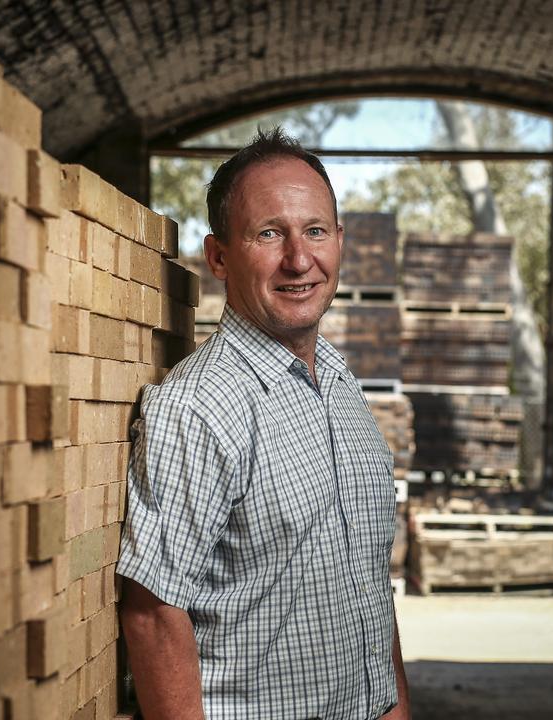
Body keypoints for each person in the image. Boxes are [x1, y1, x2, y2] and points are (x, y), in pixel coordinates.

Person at [116, 127, 411, 719]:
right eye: (269, 233)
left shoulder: (338, 380)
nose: (300, 259)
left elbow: (367, 586)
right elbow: (152, 614)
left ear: (340, 242)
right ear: (220, 256)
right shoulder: (200, 405)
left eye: (316, 231)